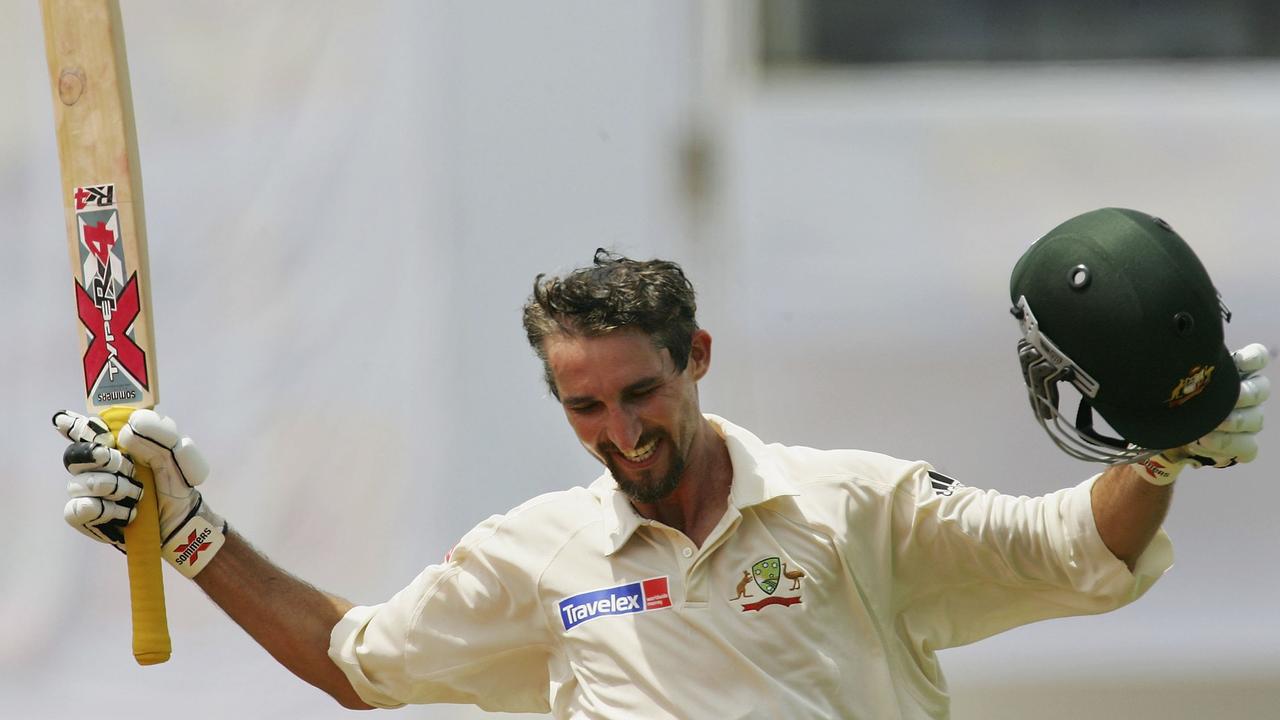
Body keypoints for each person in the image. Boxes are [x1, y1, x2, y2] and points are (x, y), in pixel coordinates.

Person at [54, 226, 1267, 718]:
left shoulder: (847, 505)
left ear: (694, 358)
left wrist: (1158, 450)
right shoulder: (538, 554)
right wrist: (187, 530)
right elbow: (356, 660)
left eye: (641, 394)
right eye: (584, 408)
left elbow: (1077, 548)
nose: (621, 431)